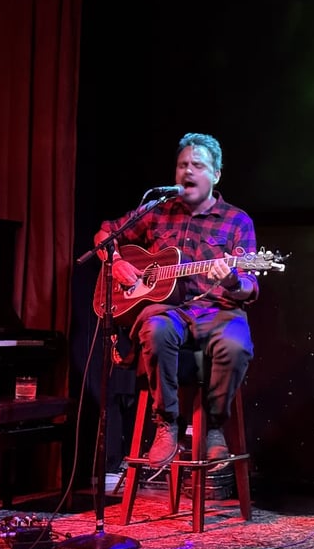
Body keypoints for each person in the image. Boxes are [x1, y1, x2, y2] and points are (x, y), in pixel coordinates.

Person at [93, 132, 259, 469]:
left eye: (198, 165)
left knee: (237, 344)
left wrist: (230, 279)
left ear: (216, 174)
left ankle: (213, 428)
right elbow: (105, 234)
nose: (188, 171)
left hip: (218, 312)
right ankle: (166, 424)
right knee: (155, 328)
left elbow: (249, 288)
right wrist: (118, 262)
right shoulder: (157, 212)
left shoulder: (237, 221)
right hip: (170, 311)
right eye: (183, 165)